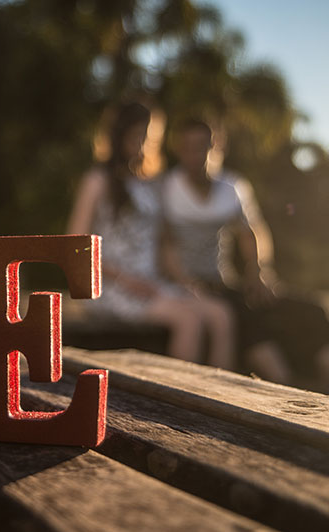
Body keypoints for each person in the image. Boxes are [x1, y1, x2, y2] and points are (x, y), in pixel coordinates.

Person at [161, 118, 329, 388]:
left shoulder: (232, 187)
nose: (196, 155)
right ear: (180, 150)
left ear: (217, 147)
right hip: (184, 286)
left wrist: (258, 271)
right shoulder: (168, 188)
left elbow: (253, 232)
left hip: (223, 282)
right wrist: (185, 282)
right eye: (189, 148)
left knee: (312, 309)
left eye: (202, 147)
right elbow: (163, 244)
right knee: (242, 315)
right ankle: (284, 388)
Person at [67, 103, 235, 370]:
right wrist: (125, 279)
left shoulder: (150, 183)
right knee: (189, 321)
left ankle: (223, 398)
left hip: (151, 284)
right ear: (119, 135)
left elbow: (162, 245)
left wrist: (185, 282)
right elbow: (75, 246)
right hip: (112, 287)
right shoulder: (98, 180)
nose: (145, 143)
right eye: (139, 134)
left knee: (220, 314)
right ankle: (181, 402)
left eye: (151, 136)